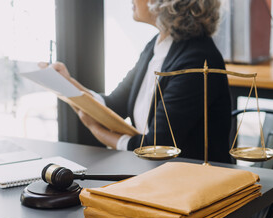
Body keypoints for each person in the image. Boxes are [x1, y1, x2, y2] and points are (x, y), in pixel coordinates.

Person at [42, 0, 233, 164]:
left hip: (192, 186)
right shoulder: (158, 45)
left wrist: (96, 130)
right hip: (154, 174)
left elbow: (155, 148)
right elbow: (114, 106)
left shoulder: (198, 59)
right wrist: (67, 83)